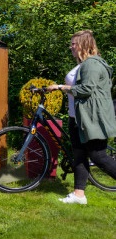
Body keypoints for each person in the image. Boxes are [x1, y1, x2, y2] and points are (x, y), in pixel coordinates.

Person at [47, 30, 116, 204]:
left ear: (84, 44)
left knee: (99, 156)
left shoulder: (92, 64)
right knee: (79, 155)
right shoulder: (83, 64)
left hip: (90, 120)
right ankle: (79, 195)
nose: (71, 47)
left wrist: (62, 87)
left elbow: (87, 89)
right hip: (76, 118)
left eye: (74, 44)